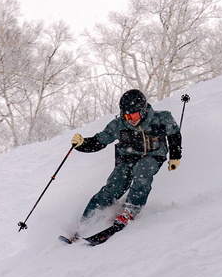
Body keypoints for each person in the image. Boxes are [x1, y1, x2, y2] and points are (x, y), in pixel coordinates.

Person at [67, 89, 181, 239]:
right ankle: (88, 220)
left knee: (142, 170)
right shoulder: (119, 125)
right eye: (126, 115)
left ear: (143, 110)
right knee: (116, 183)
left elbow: (174, 135)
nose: (131, 119)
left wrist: (175, 157)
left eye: (134, 114)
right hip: (127, 159)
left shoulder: (162, 118)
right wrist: (82, 144)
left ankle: (130, 209)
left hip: (153, 156)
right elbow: (99, 141)